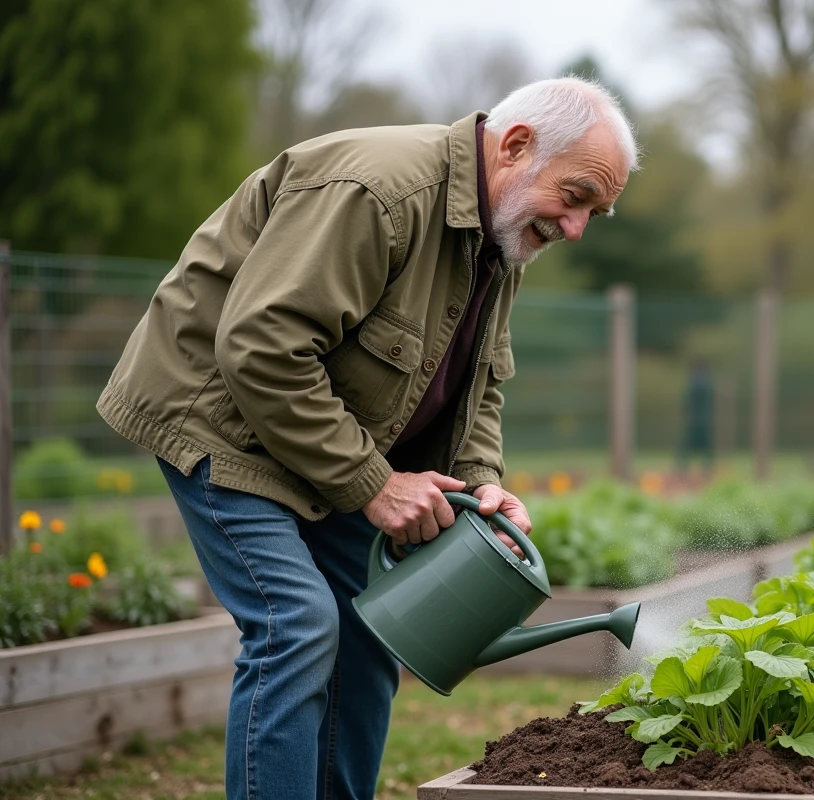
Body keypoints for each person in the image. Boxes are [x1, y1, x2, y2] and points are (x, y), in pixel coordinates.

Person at [96, 77, 638, 800]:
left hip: (332, 436)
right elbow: (262, 347)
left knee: (371, 632)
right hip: (222, 421)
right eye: (575, 198)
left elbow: (478, 380)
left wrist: (480, 481)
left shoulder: (502, 235)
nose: (577, 229)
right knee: (297, 625)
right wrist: (376, 486)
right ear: (514, 147)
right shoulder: (379, 192)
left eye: (595, 213)